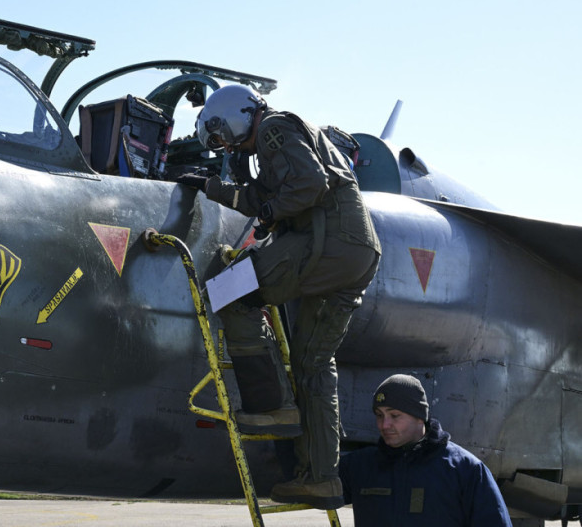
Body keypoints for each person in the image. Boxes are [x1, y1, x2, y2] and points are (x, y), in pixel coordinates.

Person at [176, 84, 381, 509]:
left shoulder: (272, 130)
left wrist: (268, 214)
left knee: (230, 291)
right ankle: (321, 479)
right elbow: (264, 195)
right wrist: (215, 189)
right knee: (313, 365)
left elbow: (307, 185)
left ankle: (270, 404)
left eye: (220, 134)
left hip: (326, 244)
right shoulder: (282, 137)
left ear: (234, 116)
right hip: (356, 251)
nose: (222, 144)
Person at [339, 374, 513, 526]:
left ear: (420, 417)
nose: (384, 425)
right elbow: (317, 486)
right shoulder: (358, 466)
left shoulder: (466, 471)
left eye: (394, 415)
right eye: (379, 415)